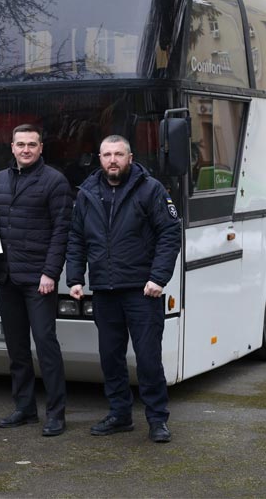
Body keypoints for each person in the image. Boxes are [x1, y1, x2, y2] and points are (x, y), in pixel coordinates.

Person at [66, 135, 181, 443]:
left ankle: (157, 419)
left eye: (118, 154)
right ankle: (120, 415)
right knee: (111, 358)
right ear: (99, 158)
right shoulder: (87, 193)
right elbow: (76, 238)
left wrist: (158, 278)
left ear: (130, 157)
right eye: (107, 154)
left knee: (147, 359)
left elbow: (170, 234)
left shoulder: (151, 190)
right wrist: (75, 278)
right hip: (104, 291)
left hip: (143, 292)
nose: (112, 160)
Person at [0, 124, 71, 437]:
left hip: (38, 280)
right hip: (6, 277)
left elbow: (61, 231)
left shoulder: (54, 181)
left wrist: (50, 273)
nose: (26, 149)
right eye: (21, 144)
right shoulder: (0, 180)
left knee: (46, 345)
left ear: (41, 147)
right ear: (13, 147)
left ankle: (56, 414)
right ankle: (25, 408)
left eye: (32, 144)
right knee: (16, 348)